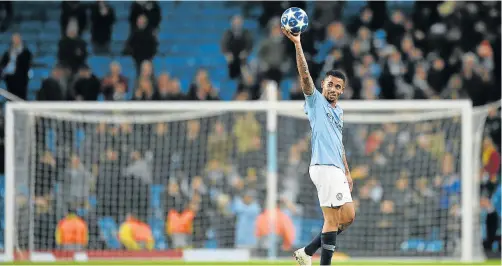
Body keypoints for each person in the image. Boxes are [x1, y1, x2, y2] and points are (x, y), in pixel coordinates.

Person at [282, 27, 356, 266]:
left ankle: (307, 251)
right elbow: (304, 76)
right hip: (323, 167)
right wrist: (297, 44)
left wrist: (347, 170)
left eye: (338, 87)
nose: (333, 89)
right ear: (323, 83)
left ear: (342, 91)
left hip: (336, 168)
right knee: (332, 219)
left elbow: (339, 142)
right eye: (330, 84)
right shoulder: (315, 102)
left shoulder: (339, 112)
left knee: (347, 217)